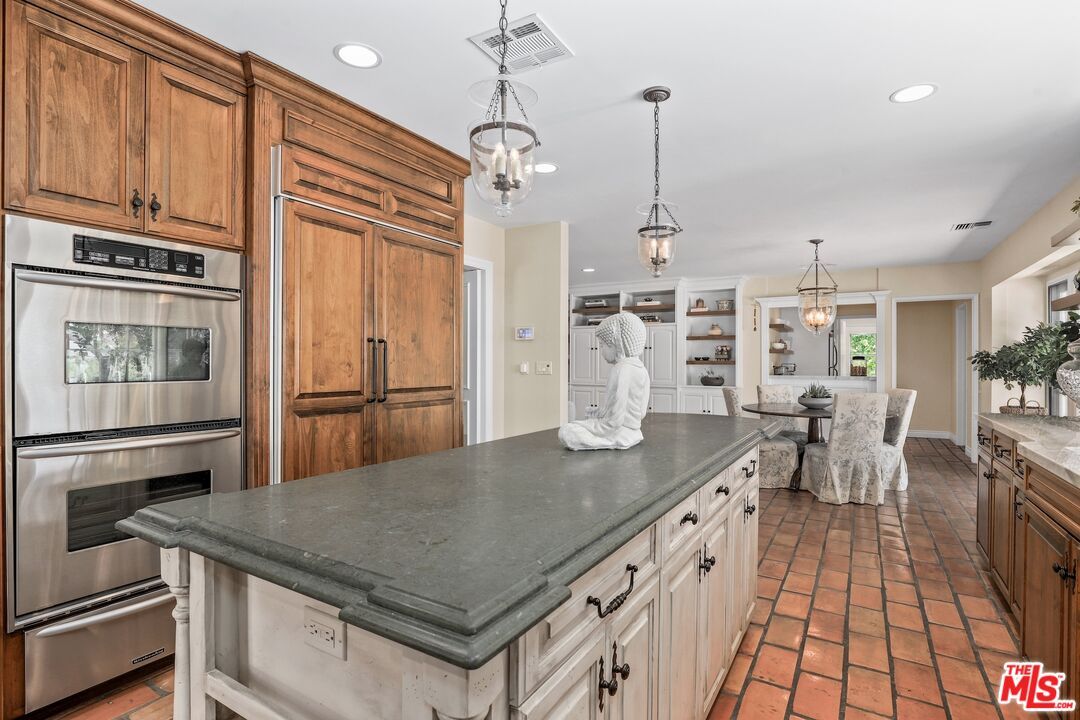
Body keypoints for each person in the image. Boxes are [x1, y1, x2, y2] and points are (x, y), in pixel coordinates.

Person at [559, 312, 651, 450]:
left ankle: (608, 442)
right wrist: (599, 412)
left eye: (602, 345)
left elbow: (614, 421)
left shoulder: (620, 370)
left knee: (567, 431)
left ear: (617, 344)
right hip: (634, 431)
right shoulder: (642, 370)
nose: (601, 351)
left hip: (616, 431)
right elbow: (641, 413)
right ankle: (620, 439)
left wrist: (589, 424)